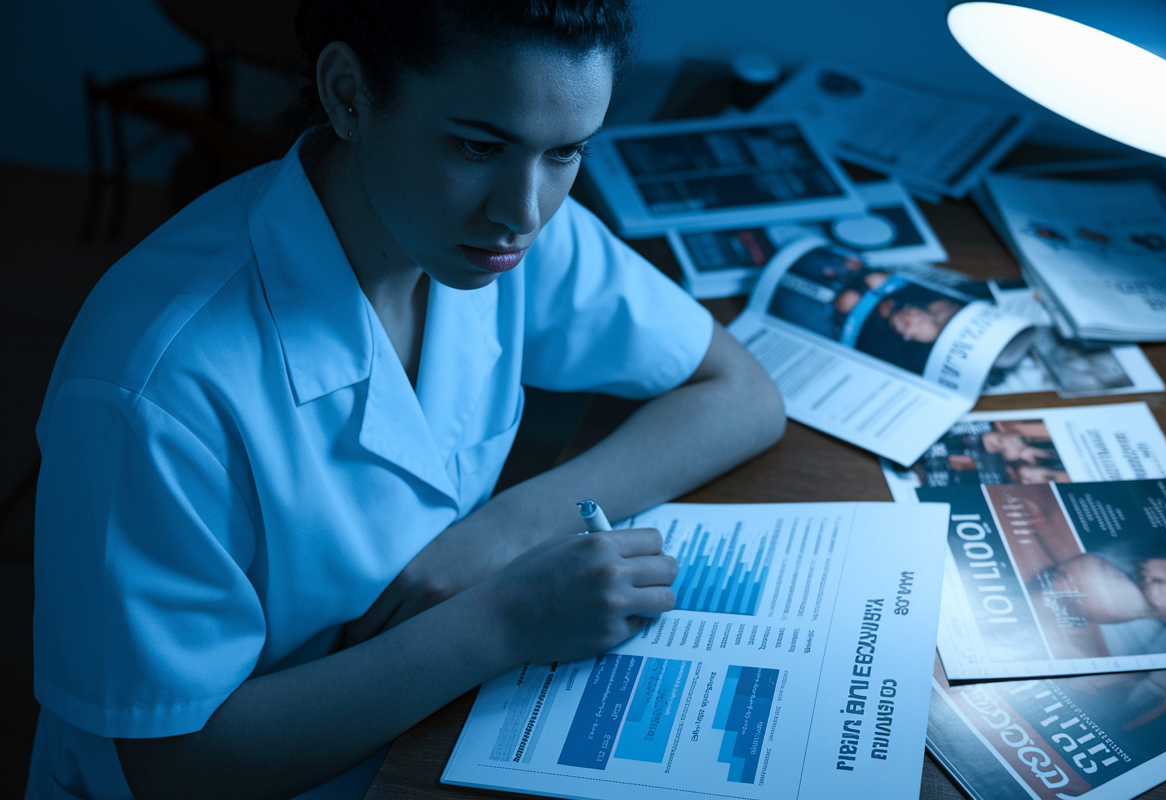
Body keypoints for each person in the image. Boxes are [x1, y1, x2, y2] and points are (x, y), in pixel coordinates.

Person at [26, 3, 786, 799]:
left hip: (417, 737)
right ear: (349, 95)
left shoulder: (501, 237)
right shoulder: (154, 385)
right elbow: (173, 767)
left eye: (566, 152)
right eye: (477, 145)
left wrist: (501, 533)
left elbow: (741, 393)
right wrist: (506, 618)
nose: (524, 212)